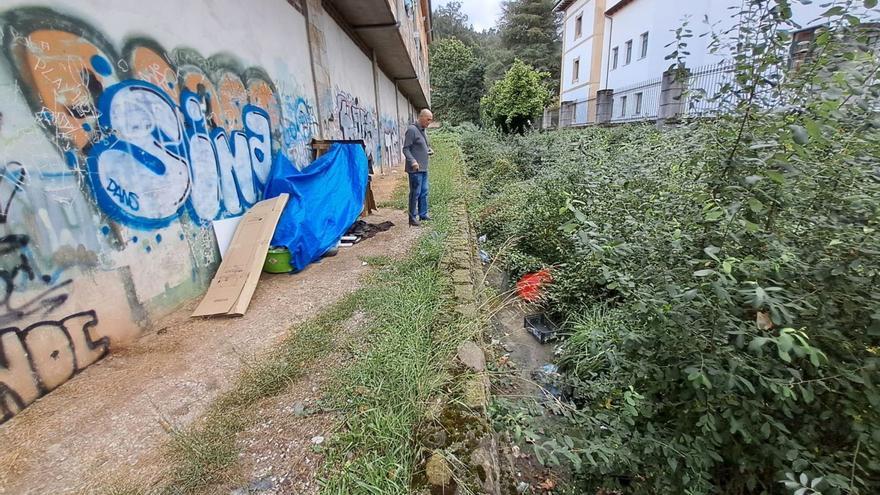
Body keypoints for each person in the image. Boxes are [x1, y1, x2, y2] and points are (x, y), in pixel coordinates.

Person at [402, 109, 434, 226]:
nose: (429, 122)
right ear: (421, 117)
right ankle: (412, 217)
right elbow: (405, 149)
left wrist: (428, 151)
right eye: (428, 119)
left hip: (424, 168)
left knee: (424, 191)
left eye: (431, 119)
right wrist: (413, 161)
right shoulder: (412, 130)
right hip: (415, 169)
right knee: (415, 192)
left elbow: (421, 146)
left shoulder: (423, 130)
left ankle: (423, 214)